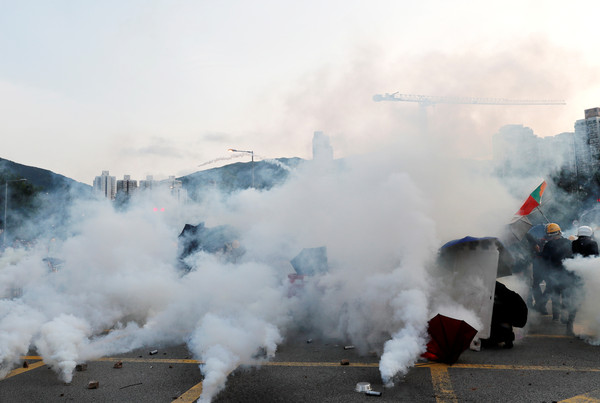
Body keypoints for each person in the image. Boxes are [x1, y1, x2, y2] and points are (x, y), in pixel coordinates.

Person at [541, 223, 576, 335]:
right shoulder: (568, 242)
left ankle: (556, 316)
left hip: (553, 274)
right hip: (566, 273)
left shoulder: (548, 245)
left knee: (555, 295)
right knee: (566, 295)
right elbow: (573, 256)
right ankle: (564, 316)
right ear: (559, 232)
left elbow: (544, 259)